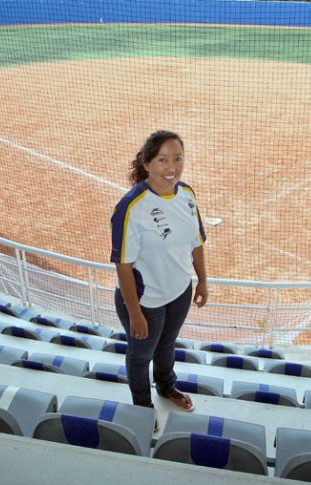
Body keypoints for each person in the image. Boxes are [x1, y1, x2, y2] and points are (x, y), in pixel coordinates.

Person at [110, 130, 208, 421]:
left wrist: (202, 279)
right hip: (145, 300)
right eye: (163, 160)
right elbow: (123, 265)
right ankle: (142, 407)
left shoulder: (187, 194)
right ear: (147, 163)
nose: (172, 167)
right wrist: (135, 312)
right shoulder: (130, 208)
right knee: (141, 356)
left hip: (179, 291)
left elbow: (197, 241)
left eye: (177, 159)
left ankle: (167, 388)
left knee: (167, 345)